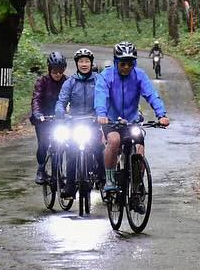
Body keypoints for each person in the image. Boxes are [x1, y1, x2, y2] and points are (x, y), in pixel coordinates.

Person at [94, 41, 169, 193]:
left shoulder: (139, 75)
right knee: (114, 141)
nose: (126, 67)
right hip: (111, 120)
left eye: (130, 64)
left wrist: (161, 115)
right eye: (123, 64)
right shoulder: (106, 76)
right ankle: (109, 179)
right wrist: (101, 114)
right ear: (116, 62)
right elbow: (100, 95)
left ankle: (137, 186)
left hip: (132, 120)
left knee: (139, 147)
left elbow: (151, 95)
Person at [54, 48, 99, 196]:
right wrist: (61, 113)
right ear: (77, 64)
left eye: (87, 61)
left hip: (93, 121)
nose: (84, 64)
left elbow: (106, 99)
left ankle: (102, 179)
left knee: (99, 147)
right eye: (81, 61)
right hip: (74, 121)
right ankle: (70, 186)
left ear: (91, 63)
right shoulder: (70, 82)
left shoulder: (99, 80)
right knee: (71, 151)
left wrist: (101, 114)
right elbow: (61, 101)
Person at [30, 51, 67, 184]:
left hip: (60, 118)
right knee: (44, 143)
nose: (58, 74)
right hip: (44, 118)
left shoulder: (67, 81)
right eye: (55, 71)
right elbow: (36, 99)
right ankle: (41, 169)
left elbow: (72, 99)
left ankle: (58, 172)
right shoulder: (42, 81)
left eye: (60, 71)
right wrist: (38, 114)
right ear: (50, 69)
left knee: (62, 143)